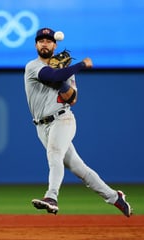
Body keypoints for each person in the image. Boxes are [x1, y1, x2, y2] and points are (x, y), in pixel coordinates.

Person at [23, 27, 132, 217]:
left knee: (54, 154)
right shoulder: (32, 66)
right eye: (41, 41)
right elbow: (51, 76)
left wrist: (64, 79)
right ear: (36, 45)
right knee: (78, 168)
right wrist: (80, 65)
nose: (45, 44)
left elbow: (72, 98)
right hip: (41, 127)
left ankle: (51, 196)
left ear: (55, 45)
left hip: (63, 119)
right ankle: (115, 197)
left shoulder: (65, 71)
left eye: (48, 41)